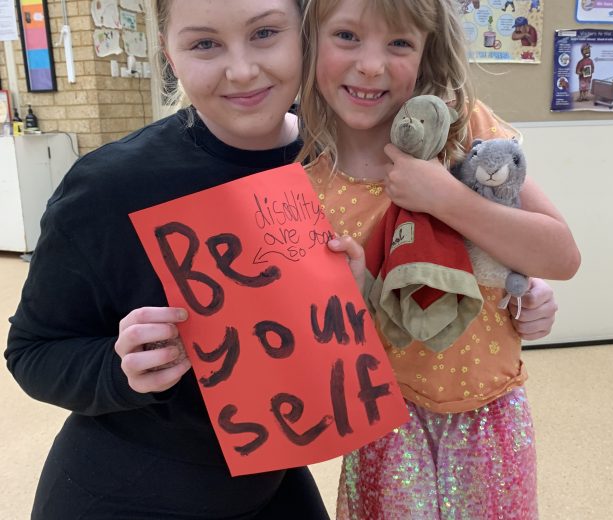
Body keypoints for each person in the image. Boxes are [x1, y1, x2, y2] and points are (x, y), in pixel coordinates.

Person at [4, 0, 365, 517]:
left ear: (305, 37)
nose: (241, 70)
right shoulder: (109, 188)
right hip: (131, 490)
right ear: (169, 55)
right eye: (204, 44)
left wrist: (519, 294)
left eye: (265, 33)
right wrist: (120, 367)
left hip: (272, 475)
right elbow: (32, 352)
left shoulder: (338, 160)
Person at [297, 0, 580, 518]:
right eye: (346, 37)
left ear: (427, 53)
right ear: (309, 42)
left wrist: (448, 199)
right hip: (384, 428)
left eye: (399, 43)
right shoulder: (305, 185)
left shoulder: (464, 131)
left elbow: (561, 256)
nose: (371, 65)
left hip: (489, 414)